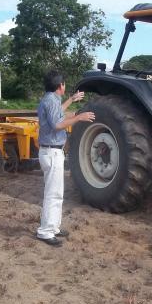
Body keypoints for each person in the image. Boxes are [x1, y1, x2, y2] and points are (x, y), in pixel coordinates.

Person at [36, 70, 95, 247]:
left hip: (51, 151)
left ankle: (53, 227)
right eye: (64, 84)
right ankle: (45, 231)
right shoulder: (51, 101)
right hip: (52, 152)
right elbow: (58, 124)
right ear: (60, 86)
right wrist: (79, 117)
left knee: (56, 193)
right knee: (53, 194)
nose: (65, 86)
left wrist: (71, 100)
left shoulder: (49, 99)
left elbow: (57, 114)